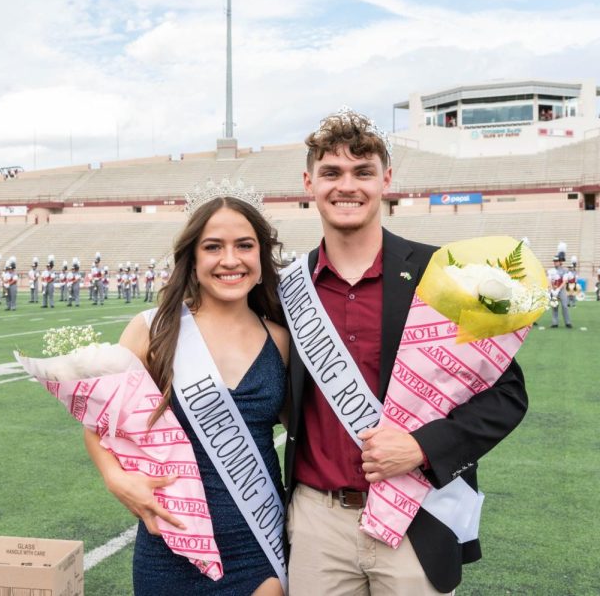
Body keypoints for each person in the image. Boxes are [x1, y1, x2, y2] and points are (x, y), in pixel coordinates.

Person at [283, 108, 528, 595]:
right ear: (309, 182)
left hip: (418, 513)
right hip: (317, 520)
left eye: (362, 172)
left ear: (386, 180)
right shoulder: (286, 287)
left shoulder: (442, 273)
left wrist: (421, 448)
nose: (346, 185)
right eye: (331, 172)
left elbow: (507, 396)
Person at [84, 187, 289, 596]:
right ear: (192, 260)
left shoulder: (281, 340)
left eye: (244, 246)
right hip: (171, 542)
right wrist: (115, 479)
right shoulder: (152, 329)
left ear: (261, 258)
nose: (230, 260)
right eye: (213, 247)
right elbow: (98, 424)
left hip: (257, 543)